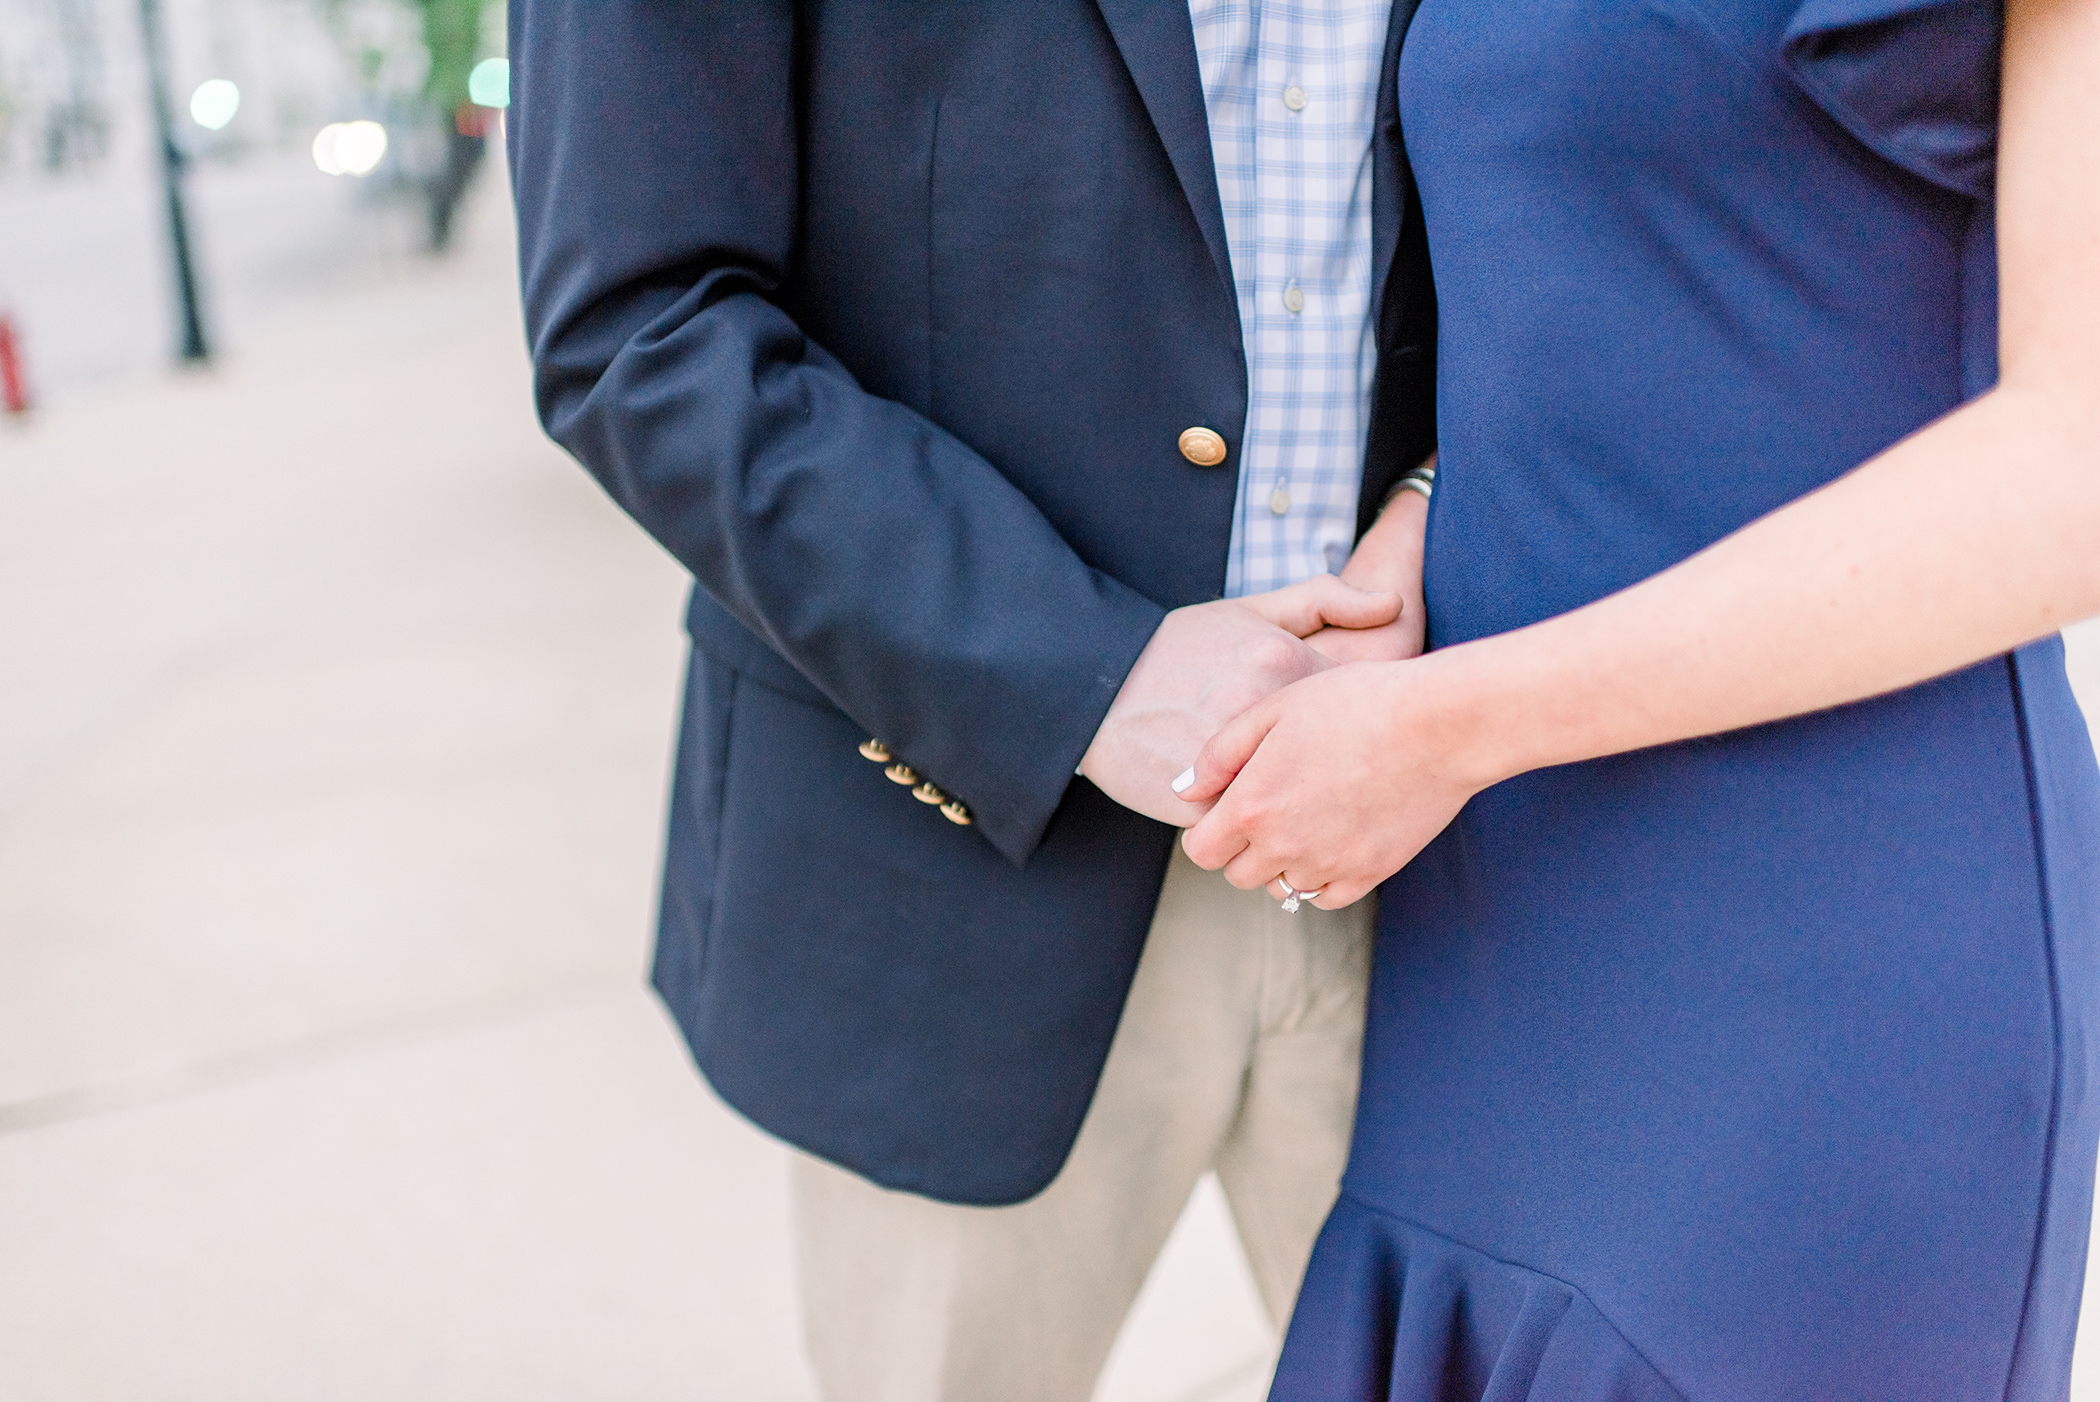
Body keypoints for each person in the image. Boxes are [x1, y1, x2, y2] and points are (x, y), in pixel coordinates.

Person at [505, 4, 1437, 1399]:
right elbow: (639, 322)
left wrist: (1441, 500)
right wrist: (1082, 670)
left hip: (1453, 839)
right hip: (955, 843)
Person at [1175, 0, 2100, 1395]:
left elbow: (2071, 475)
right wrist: (1418, 527)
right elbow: (1593, 285)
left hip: (1812, 945)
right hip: (1499, 921)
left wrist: (1447, 726)